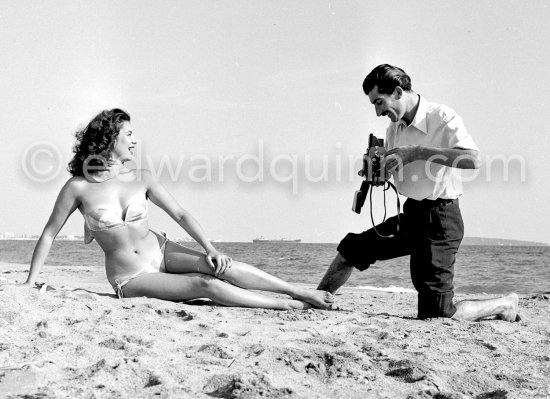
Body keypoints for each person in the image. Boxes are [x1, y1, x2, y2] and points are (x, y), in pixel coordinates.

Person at [25, 108, 333, 310]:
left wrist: (209, 247)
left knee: (219, 266)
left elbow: (181, 213)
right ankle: (286, 306)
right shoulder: (78, 187)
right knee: (206, 285)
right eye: (129, 134)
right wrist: (29, 283)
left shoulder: (142, 177)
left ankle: (298, 291)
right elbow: (49, 235)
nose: (136, 140)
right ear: (110, 139)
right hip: (131, 277)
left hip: (160, 249)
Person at [318, 64, 519, 321]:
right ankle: (317, 299)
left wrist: (417, 152)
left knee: (436, 313)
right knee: (351, 248)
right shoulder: (395, 129)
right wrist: (378, 173)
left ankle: (505, 303)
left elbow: (473, 160)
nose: (378, 112)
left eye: (379, 102)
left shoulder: (442, 117)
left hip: (441, 219)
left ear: (399, 91)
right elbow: (397, 169)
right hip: (412, 214)